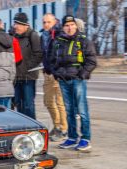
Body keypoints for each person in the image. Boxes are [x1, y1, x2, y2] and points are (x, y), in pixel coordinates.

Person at [50, 15, 97, 151]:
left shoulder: (83, 41)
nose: (69, 28)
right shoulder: (58, 41)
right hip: (64, 81)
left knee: (82, 111)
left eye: (72, 25)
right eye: (66, 25)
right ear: (63, 27)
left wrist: (82, 74)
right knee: (69, 111)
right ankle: (71, 137)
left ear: (76, 26)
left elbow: (91, 61)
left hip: (77, 80)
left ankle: (85, 138)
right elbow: (52, 59)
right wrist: (56, 73)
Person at [40, 14, 68, 141]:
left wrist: (59, 70)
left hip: (58, 74)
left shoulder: (60, 35)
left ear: (55, 22)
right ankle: (56, 126)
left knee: (60, 102)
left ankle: (63, 129)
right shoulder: (44, 36)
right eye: (44, 22)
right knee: (48, 102)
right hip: (47, 73)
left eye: (48, 22)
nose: (46, 24)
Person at [11, 12, 43, 119]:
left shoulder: (33, 35)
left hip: (28, 77)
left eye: (18, 24)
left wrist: (26, 67)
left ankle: (32, 130)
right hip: (16, 77)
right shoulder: (14, 36)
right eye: (14, 23)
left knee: (28, 105)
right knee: (19, 105)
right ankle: (23, 128)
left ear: (25, 25)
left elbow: (38, 55)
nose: (15, 26)